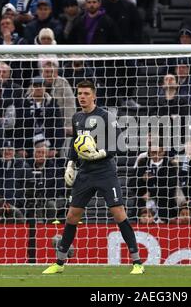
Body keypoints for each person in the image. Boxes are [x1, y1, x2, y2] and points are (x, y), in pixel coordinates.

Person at [42, 80, 144, 275]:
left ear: (94, 95)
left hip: (105, 171)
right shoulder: (77, 117)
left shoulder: (106, 116)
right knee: (72, 215)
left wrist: (101, 153)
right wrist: (71, 164)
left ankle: (137, 262)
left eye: (86, 93)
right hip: (86, 172)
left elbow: (119, 144)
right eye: (80, 93)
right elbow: (75, 143)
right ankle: (60, 262)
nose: (82, 96)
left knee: (119, 213)